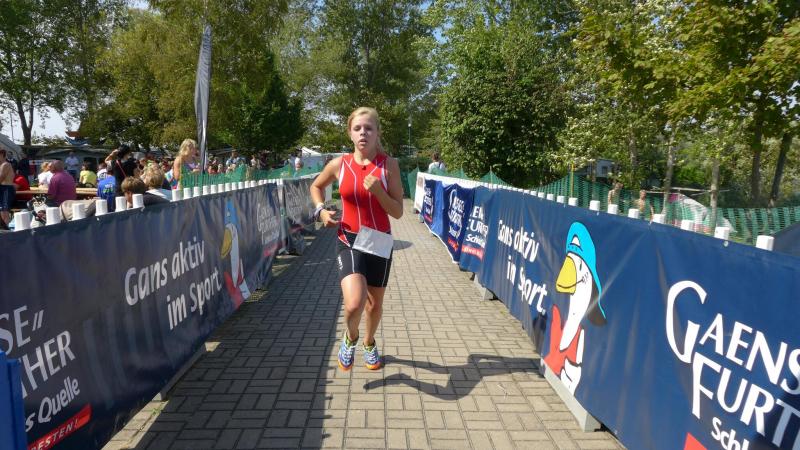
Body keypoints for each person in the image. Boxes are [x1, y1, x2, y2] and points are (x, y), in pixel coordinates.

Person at [309, 107, 404, 371]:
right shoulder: (339, 164)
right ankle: (350, 337)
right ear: (350, 133)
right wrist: (321, 211)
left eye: (369, 128)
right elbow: (316, 186)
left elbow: (398, 212)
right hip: (349, 238)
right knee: (354, 303)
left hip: (379, 241)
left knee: (374, 305)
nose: (363, 133)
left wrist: (379, 192)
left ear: (377, 133)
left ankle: (369, 342)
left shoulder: (389, 165)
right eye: (358, 128)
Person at [0, 149, 15, 227]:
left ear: (1, 155)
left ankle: (7, 229)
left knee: (4, 212)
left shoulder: (5, 165)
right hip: (3, 188)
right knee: (2, 211)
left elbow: (1, 178)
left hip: (6, 189)